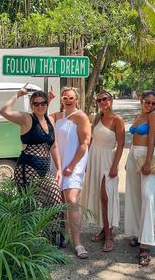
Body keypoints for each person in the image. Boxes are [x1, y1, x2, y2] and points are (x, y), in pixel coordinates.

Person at [0, 85, 63, 242]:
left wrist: (59, 169)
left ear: (47, 105)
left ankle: (51, 239)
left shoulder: (50, 121)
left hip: (45, 168)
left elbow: (53, 146)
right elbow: (4, 111)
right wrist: (18, 95)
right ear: (31, 105)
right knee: (30, 206)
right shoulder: (26, 118)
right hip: (27, 167)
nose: (40, 106)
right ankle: (28, 241)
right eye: (36, 103)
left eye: (43, 103)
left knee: (55, 201)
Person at [49, 86, 91, 259]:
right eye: (65, 97)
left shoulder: (81, 116)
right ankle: (63, 237)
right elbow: (40, 117)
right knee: (58, 202)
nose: (67, 100)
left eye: (71, 98)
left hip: (74, 163)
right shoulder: (56, 116)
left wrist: (72, 165)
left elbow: (84, 143)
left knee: (71, 201)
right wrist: (48, 98)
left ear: (77, 100)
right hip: (57, 163)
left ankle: (78, 243)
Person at [81, 90, 125, 252]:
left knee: (107, 196)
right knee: (98, 196)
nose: (102, 102)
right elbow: (91, 141)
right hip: (94, 159)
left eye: (104, 99)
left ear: (111, 101)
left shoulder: (117, 120)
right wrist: (86, 162)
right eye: (99, 100)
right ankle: (103, 229)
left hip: (108, 160)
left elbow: (121, 145)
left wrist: (115, 166)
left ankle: (109, 235)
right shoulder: (97, 118)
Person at [124, 89, 155, 266]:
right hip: (133, 156)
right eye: (148, 102)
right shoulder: (138, 116)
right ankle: (137, 233)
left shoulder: (154, 117)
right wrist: (128, 158)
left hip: (147, 157)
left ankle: (145, 244)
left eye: (154, 103)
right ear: (141, 100)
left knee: (148, 197)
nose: (151, 106)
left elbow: (151, 140)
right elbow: (134, 137)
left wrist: (147, 162)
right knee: (135, 196)